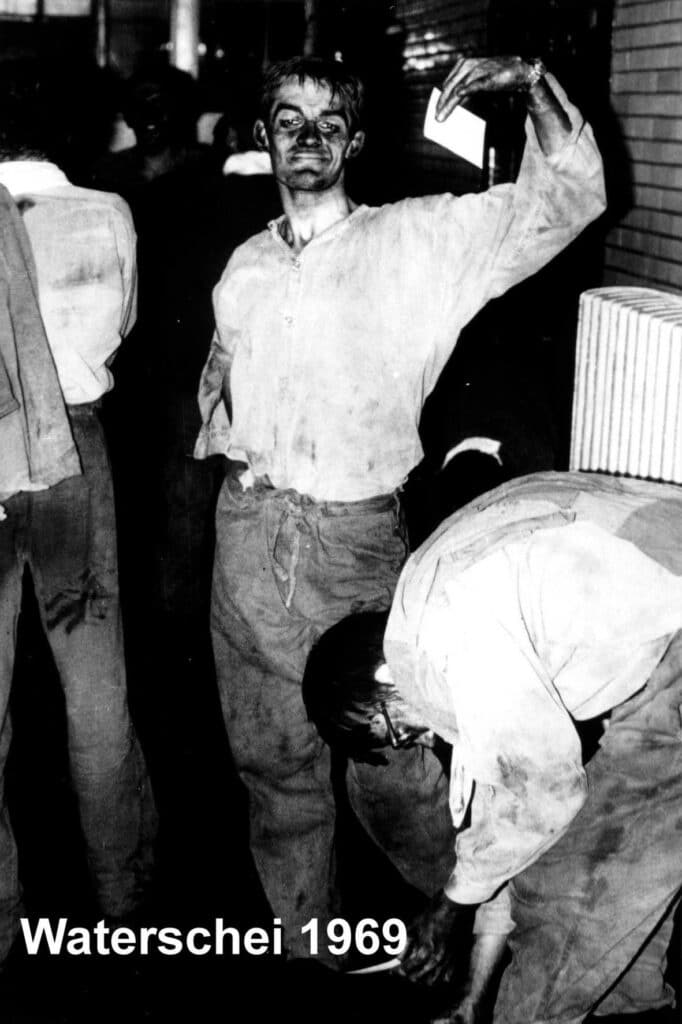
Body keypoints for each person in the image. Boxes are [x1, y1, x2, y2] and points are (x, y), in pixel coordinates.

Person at [194, 53, 606, 960]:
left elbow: (567, 200)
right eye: (289, 121)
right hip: (250, 538)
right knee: (273, 762)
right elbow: (220, 382)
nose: (308, 138)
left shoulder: (418, 241)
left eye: (328, 123)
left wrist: (532, 83)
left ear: (355, 142)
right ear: (263, 136)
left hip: (355, 544)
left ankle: (470, 931)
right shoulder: (246, 265)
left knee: (393, 764)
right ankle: (306, 944)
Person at [302, 469, 682, 1022]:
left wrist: (449, 907)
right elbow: (499, 837)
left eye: (392, 728)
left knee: (566, 903)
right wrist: (471, 1001)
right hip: (662, 616)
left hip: (672, 635)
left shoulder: (456, 639)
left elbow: (544, 796)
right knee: (607, 900)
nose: (413, 740)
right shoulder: (421, 617)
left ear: (383, 675)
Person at [0, 62, 156, 967]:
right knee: (97, 697)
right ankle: (120, 904)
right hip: (75, 454)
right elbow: (122, 325)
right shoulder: (107, 213)